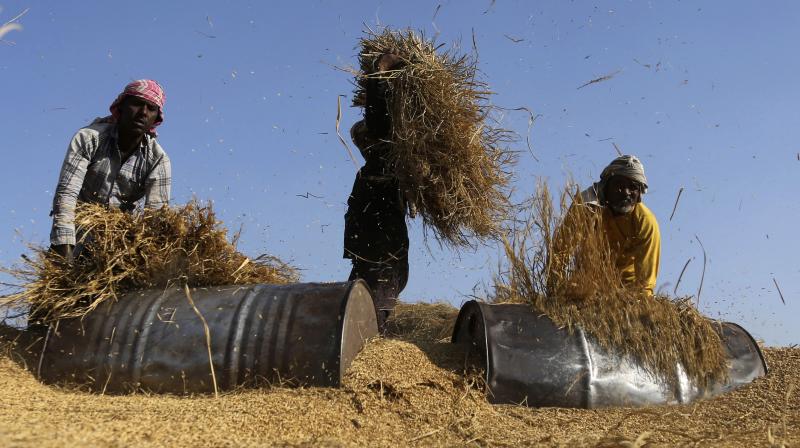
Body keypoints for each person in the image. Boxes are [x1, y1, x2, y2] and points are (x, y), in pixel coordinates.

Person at [49, 80, 171, 263]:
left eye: (151, 108)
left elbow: (155, 217)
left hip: (119, 250)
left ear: (156, 119)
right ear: (121, 107)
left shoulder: (158, 160)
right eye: (137, 104)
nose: (143, 113)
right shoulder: (90, 139)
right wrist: (64, 249)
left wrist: (148, 258)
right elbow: (66, 194)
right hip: (76, 238)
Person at [344, 54, 410, 330]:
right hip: (376, 255)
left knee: (362, 312)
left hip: (377, 255)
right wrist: (379, 78)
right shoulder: (378, 168)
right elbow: (380, 127)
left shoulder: (383, 168)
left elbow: (380, 126)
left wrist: (379, 78)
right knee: (362, 312)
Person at [576, 154, 661, 296]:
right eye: (619, 185)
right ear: (606, 186)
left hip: (626, 292)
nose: (626, 192)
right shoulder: (586, 207)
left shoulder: (645, 222)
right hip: (586, 285)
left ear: (639, 193)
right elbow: (560, 250)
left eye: (633, 187)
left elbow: (645, 285)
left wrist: (639, 305)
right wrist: (554, 290)